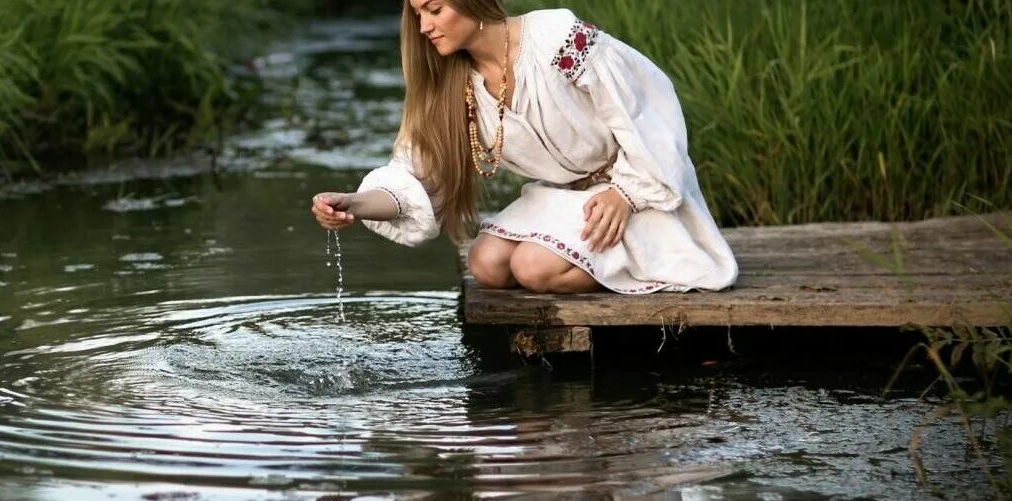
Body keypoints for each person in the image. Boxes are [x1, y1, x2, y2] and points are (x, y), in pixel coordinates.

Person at [310, 0, 737, 294]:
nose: (424, 27)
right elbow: (416, 175)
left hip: (631, 187)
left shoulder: (556, 38)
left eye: (435, 9)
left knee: (533, 267)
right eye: (418, 14)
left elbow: (641, 106)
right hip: (561, 198)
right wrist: (353, 203)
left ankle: (639, 264)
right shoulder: (450, 87)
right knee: (486, 265)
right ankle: (588, 257)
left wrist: (626, 193)